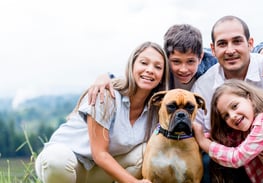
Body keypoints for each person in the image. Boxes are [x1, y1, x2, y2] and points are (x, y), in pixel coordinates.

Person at [87, 24, 263, 183]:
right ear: (166, 58)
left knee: (209, 163)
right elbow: (134, 75)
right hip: (165, 139)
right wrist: (107, 77)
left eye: (191, 61)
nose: (183, 69)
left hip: (205, 141)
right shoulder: (157, 71)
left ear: (201, 56)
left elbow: (235, 49)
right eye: (176, 62)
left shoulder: (209, 65)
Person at [35, 41, 170, 183]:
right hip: (67, 164)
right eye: (144, 63)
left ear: (162, 75)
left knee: (146, 152)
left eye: (158, 67)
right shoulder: (106, 95)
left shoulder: (157, 110)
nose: (150, 70)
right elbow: (99, 153)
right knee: (57, 160)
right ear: (132, 66)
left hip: (97, 172)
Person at [191, 15, 263, 182]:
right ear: (213, 50)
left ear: (250, 44)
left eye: (237, 41)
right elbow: (199, 131)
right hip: (250, 168)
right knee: (207, 160)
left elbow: (236, 156)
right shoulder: (203, 86)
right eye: (222, 44)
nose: (230, 50)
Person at [192, 79, 263, 183]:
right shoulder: (246, 129)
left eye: (234, 106)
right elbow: (225, 139)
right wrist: (197, 135)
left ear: (249, 98)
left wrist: (203, 142)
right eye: (226, 116)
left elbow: (236, 158)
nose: (232, 116)